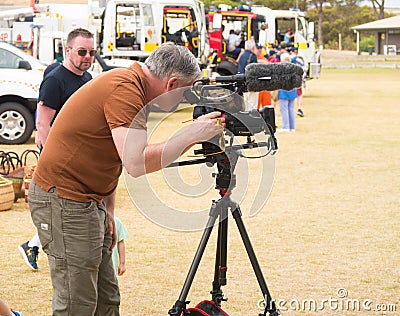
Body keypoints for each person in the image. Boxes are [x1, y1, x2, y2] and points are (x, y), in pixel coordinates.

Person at [28, 42, 224, 315]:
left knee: (107, 300)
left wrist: (108, 209)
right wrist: (192, 135)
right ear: (172, 84)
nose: (183, 101)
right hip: (64, 199)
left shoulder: (132, 86)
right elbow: (135, 162)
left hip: (86, 201)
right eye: (184, 93)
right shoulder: (126, 89)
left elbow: (111, 157)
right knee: (78, 303)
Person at [18, 27, 96, 271]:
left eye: (92, 52)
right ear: (68, 50)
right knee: (60, 208)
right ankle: (36, 246)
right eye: (82, 51)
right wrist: (57, 159)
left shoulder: (88, 79)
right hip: (59, 159)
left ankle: (33, 244)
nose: (87, 57)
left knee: (72, 210)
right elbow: (42, 124)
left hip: (82, 156)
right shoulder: (55, 80)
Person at [277, 52, 297, 132]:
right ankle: (292, 126)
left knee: (284, 109)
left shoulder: (281, 68)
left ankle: (285, 126)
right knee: (291, 108)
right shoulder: (293, 67)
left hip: (284, 91)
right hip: (292, 90)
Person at [237, 40, 258, 110]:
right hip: (251, 84)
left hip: (242, 83)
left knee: (245, 103)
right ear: (252, 47)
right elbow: (255, 71)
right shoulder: (253, 56)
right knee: (252, 104)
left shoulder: (242, 56)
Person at [290, 47, 306, 117]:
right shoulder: (299, 60)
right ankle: (299, 108)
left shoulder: (288, 58)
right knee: (299, 94)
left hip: (290, 80)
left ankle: (290, 110)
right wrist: (304, 81)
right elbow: (303, 71)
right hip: (297, 80)